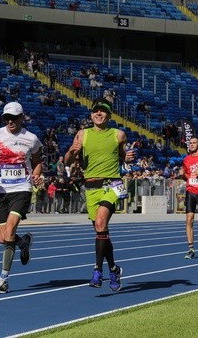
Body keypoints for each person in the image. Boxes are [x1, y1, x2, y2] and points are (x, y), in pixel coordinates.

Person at [64, 98, 135, 292]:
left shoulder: (118, 135)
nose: (99, 113)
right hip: (91, 188)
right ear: (91, 114)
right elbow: (67, 161)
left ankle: (98, 270)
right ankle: (113, 268)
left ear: (109, 115)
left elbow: (124, 158)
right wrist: (72, 151)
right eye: (96, 110)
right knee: (101, 231)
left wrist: (127, 158)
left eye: (103, 111)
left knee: (101, 223)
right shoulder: (82, 134)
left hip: (112, 185)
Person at [0, 102, 44, 294]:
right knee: (3, 239)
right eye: (6, 118)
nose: (10, 121)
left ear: (21, 118)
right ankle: (23, 242)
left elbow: (38, 162)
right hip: (0, 191)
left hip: (22, 189)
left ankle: (2, 280)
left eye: (13, 118)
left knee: (9, 232)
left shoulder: (31, 139)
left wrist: (36, 175)